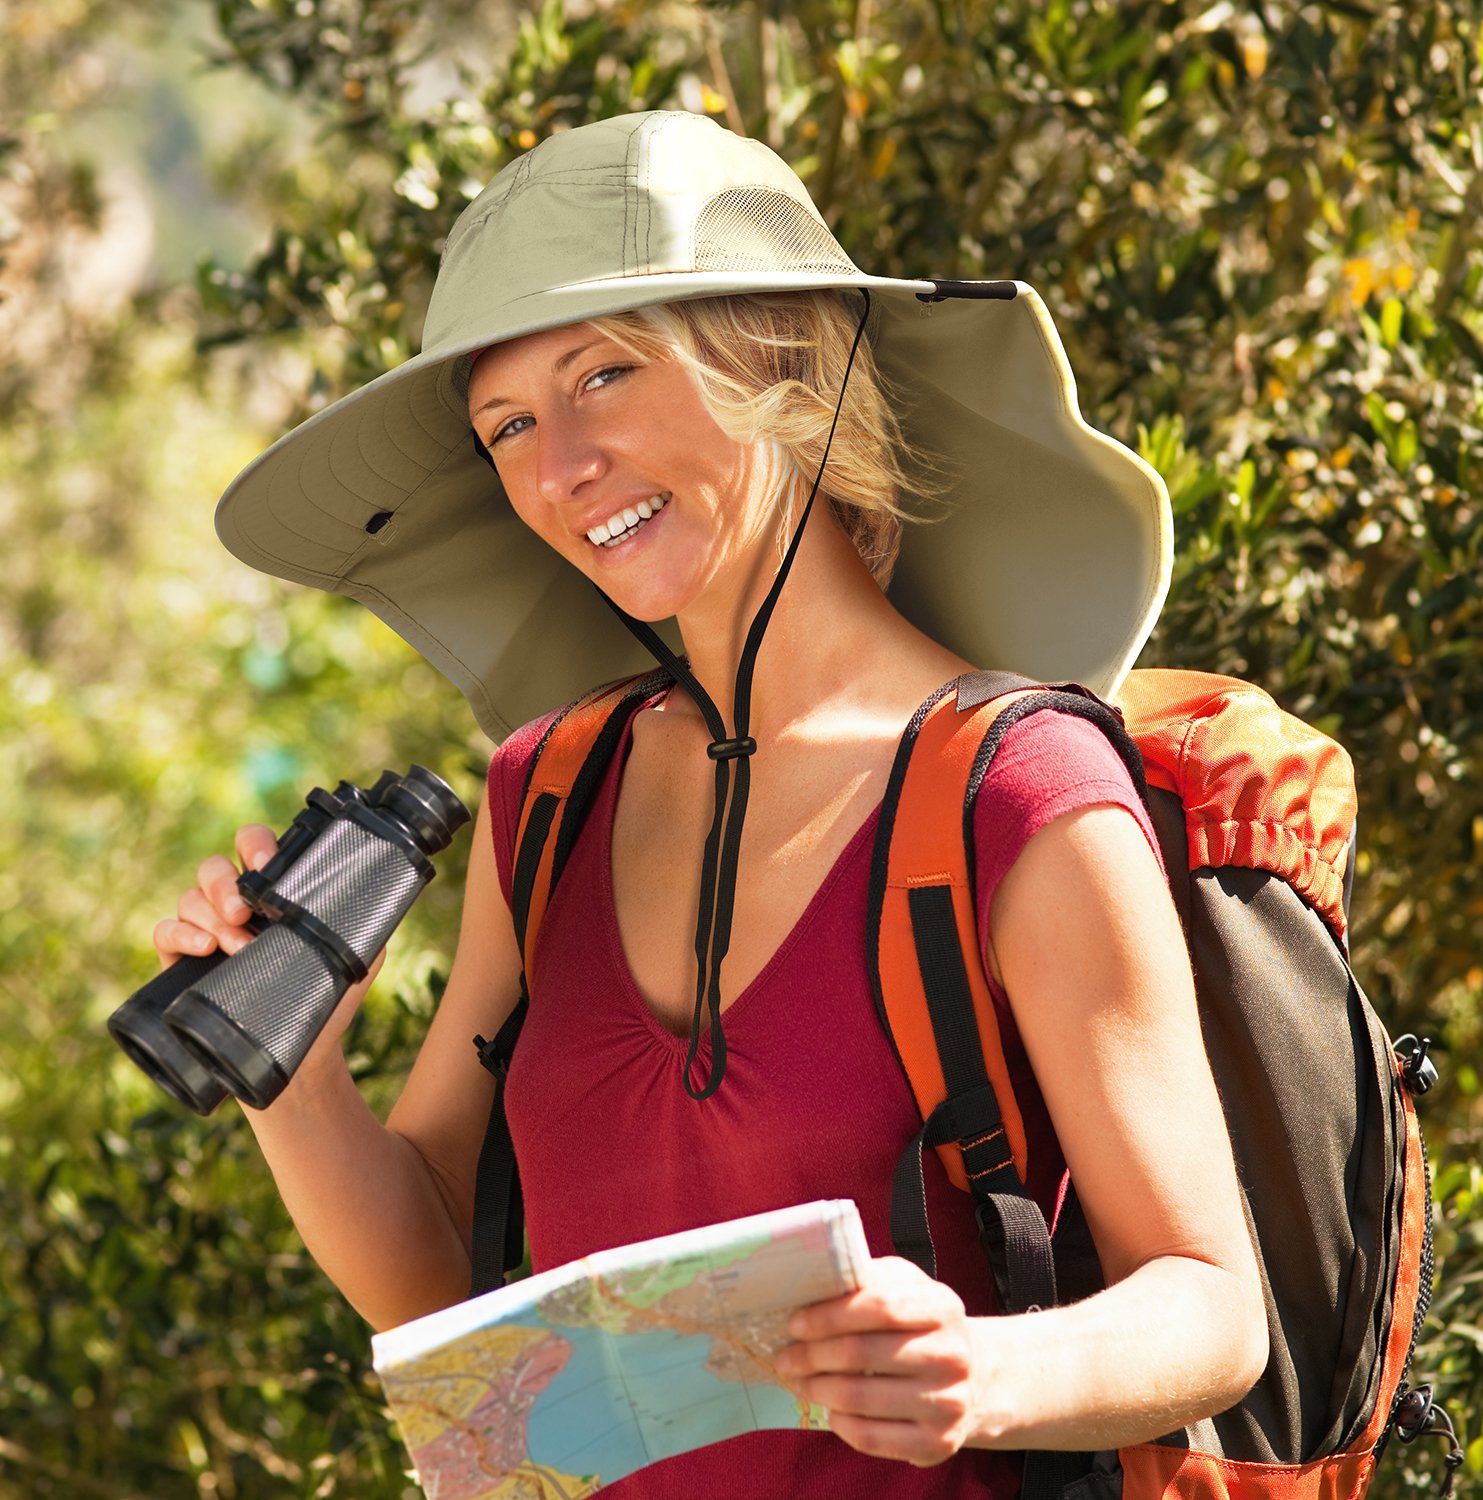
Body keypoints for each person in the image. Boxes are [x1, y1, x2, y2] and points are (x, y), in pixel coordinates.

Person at [155, 111, 1267, 1495]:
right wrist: (295, 1075)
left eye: (604, 374)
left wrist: (986, 1373)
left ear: (780, 353)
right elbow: (435, 1278)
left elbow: (1214, 1306)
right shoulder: (548, 796)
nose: (558, 468)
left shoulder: (1017, 792)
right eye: (506, 426)